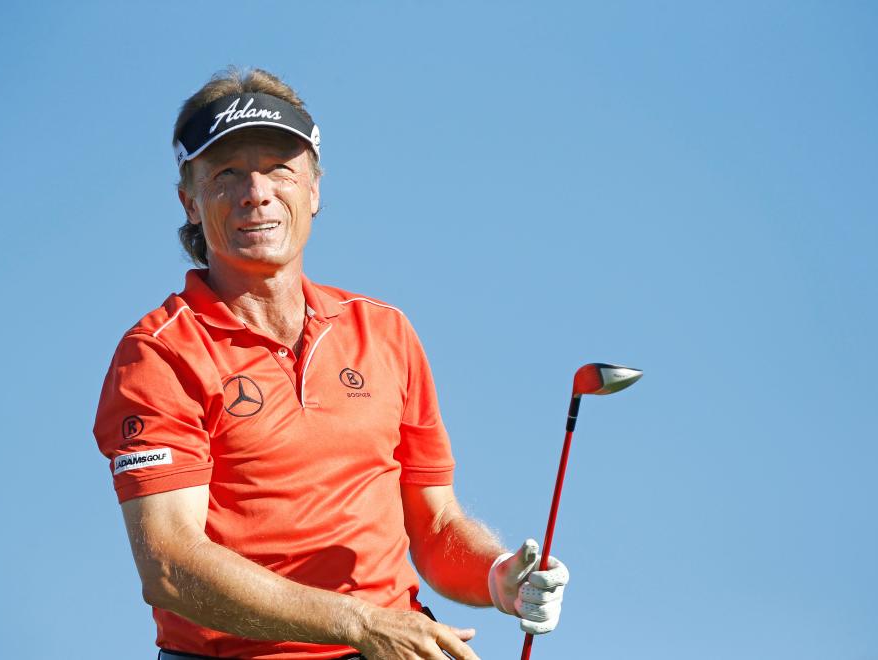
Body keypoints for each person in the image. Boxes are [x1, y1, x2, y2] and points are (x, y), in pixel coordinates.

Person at [93, 67, 569, 660]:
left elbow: (435, 525)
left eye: (279, 170)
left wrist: (498, 576)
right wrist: (359, 624)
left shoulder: (385, 331)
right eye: (227, 175)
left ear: (314, 189)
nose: (256, 192)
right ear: (189, 201)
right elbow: (169, 564)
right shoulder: (159, 353)